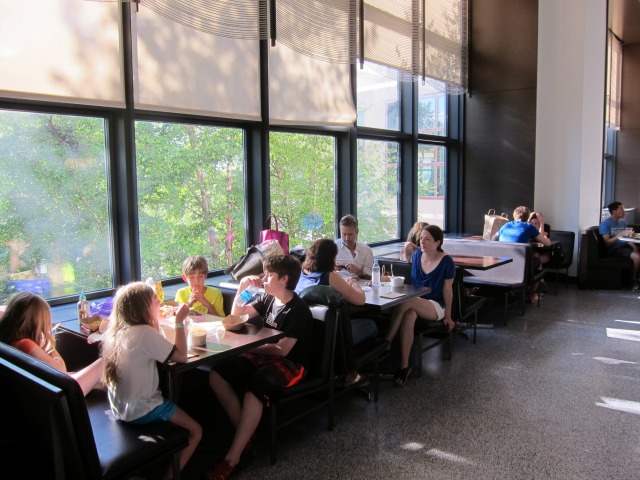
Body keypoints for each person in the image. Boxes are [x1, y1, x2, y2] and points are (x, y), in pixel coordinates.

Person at [207, 255, 313, 480]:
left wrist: (250, 346)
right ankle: (247, 437)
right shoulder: (267, 298)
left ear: (284, 279)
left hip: (290, 364)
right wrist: (242, 289)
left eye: (268, 275)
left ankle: (232, 458)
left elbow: (282, 350)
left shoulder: (299, 310)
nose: (264, 279)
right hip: (261, 356)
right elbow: (236, 317)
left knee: (255, 386)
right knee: (218, 375)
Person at [100, 282, 202, 477]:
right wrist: (180, 321)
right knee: (196, 431)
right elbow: (181, 356)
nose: (160, 302)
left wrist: (157, 321)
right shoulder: (143, 333)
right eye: (155, 300)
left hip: (120, 408)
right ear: (143, 307)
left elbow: (159, 347)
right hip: (143, 410)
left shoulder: (117, 332)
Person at [295, 238, 377, 386]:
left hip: (311, 334)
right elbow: (360, 300)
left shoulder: (301, 273)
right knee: (371, 325)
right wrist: (354, 284)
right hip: (334, 335)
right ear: (330, 258)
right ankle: (353, 369)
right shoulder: (329, 276)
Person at [384, 225, 455, 387]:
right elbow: (405, 257)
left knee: (406, 300)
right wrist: (407, 248)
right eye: (421, 238)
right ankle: (404, 366)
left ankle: (387, 341)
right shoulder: (416, 255)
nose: (422, 242)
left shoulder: (446, 261)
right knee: (409, 314)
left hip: (436, 305)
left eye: (427, 239)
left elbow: (448, 291)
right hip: (415, 301)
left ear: (437, 243)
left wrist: (449, 316)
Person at [0, 291, 103, 396]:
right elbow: (61, 371)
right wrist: (48, 341)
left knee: (101, 383)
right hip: (61, 394)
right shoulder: (25, 344)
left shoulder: (10, 341)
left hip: (41, 392)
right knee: (103, 362)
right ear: (35, 324)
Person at [599, 201, 640, 291]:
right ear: (614, 212)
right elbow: (607, 243)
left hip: (625, 246)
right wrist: (619, 235)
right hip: (615, 249)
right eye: (621, 209)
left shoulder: (623, 223)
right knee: (637, 257)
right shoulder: (605, 224)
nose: (624, 211)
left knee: (637, 251)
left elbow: (627, 239)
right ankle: (633, 280)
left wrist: (634, 247)